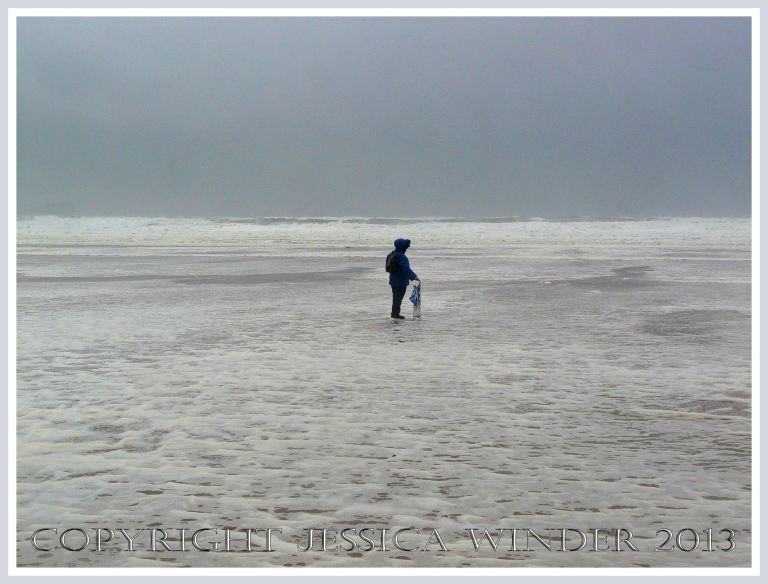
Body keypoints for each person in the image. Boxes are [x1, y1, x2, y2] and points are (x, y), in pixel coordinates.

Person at [386, 238, 419, 319]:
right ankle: (395, 315)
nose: (406, 248)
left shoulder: (391, 254)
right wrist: (414, 277)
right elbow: (406, 269)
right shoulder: (401, 257)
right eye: (406, 247)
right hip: (400, 282)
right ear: (403, 247)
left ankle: (395, 313)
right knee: (398, 299)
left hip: (393, 280)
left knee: (396, 298)